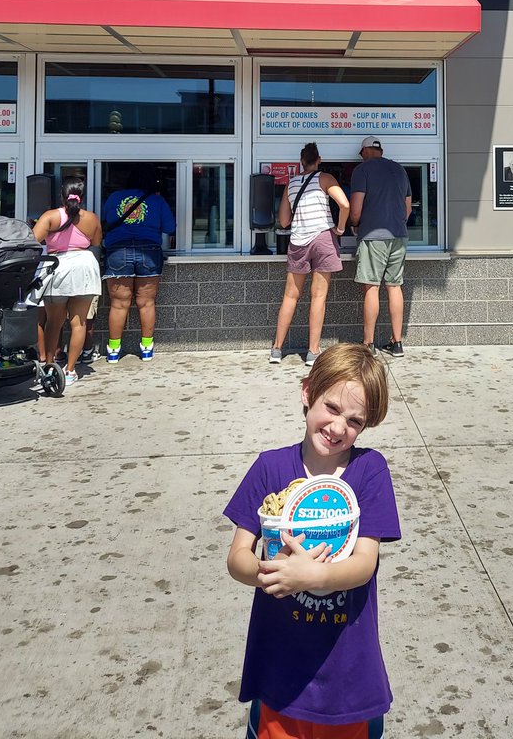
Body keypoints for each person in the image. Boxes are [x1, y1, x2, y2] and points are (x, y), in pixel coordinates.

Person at [225, 345, 400, 736]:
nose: (339, 428)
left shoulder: (369, 471)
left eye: (355, 421)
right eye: (332, 408)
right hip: (280, 676)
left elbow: (364, 563)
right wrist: (271, 573)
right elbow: (237, 555)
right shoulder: (269, 467)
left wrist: (309, 577)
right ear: (307, 393)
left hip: (350, 680)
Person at [269, 143, 350, 367]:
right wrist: (341, 228)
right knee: (318, 296)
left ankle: (277, 349)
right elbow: (344, 204)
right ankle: (313, 351)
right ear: (319, 159)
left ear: (301, 161)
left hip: (298, 241)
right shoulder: (325, 178)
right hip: (323, 238)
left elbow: (284, 221)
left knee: (290, 296)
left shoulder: (291, 183)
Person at [32, 178, 102, 388]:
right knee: (79, 322)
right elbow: (96, 245)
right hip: (85, 266)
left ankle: (50, 366)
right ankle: (70, 370)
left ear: (62, 195)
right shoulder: (92, 219)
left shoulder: (50, 216)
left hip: (58, 266)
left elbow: (32, 241)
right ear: (82, 196)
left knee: (54, 322)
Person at [102, 165, 176, 363]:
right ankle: (146, 349)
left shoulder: (114, 198)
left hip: (118, 251)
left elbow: (105, 220)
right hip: (149, 252)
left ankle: (114, 351)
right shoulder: (157, 200)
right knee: (146, 302)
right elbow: (170, 227)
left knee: (118, 304)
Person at [349, 137, 411, 358]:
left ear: (366, 151)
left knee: (372, 287)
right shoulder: (400, 170)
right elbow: (407, 209)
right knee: (394, 286)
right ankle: (397, 343)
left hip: (373, 236)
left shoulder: (362, 170)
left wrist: (355, 225)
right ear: (380, 150)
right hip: (398, 236)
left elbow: (355, 207)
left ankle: (368, 344)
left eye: (361, 153)